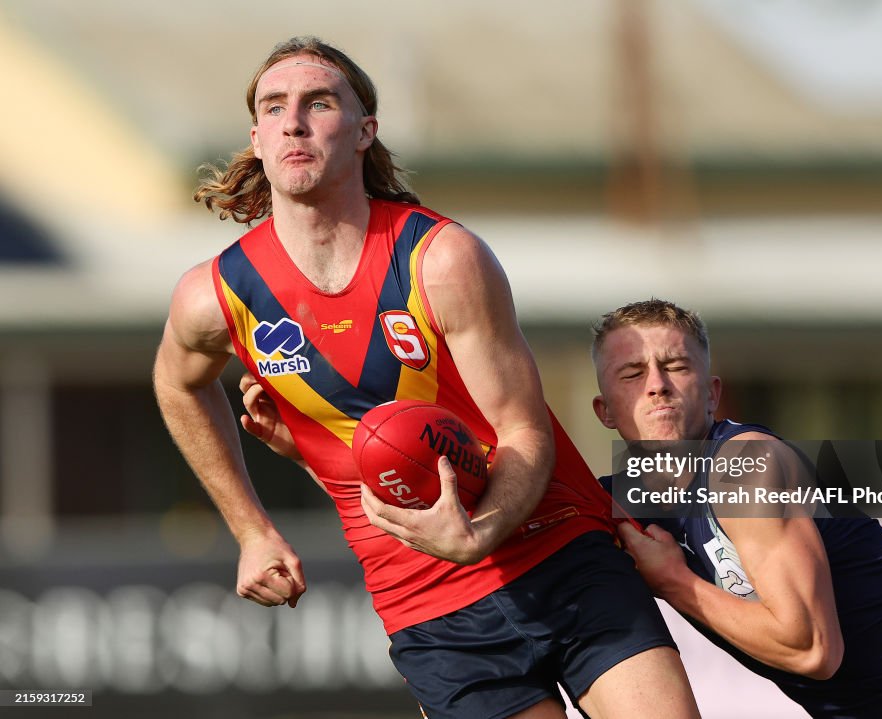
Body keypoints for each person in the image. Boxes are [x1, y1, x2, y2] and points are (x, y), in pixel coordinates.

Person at [152, 36, 699, 719]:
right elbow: (177, 383)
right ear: (257, 138)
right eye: (274, 107)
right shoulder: (216, 295)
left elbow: (523, 428)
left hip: (557, 547)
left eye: (319, 103)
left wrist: (481, 528)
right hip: (429, 608)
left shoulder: (442, 258)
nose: (294, 120)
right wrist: (251, 529)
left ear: (364, 132)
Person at [590, 299, 882, 718]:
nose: (656, 384)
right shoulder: (619, 502)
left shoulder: (746, 462)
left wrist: (674, 580)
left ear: (711, 394)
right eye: (632, 373)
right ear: (604, 411)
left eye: (676, 366)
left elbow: (812, 647)